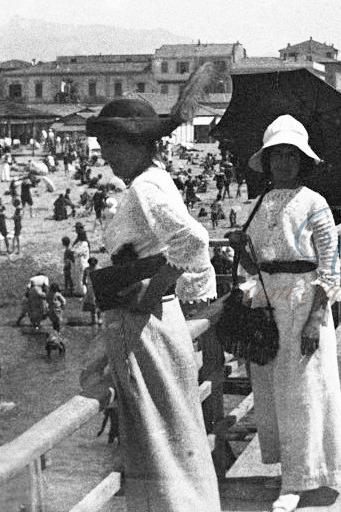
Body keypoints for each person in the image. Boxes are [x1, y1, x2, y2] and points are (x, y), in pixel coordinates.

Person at [84, 97, 221, 511]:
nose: (106, 156)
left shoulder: (145, 187)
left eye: (112, 145)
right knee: (173, 428)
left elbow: (193, 240)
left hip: (143, 324)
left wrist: (153, 285)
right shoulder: (155, 178)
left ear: (138, 144)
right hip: (156, 320)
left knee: (156, 436)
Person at [228, 115, 341, 512]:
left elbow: (330, 266)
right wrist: (242, 250)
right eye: (276, 155)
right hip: (270, 303)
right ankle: (290, 470)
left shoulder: (314, 202)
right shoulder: (261, 202)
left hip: (304, 301)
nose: (283, 163)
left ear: (302, 160)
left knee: (304, 392)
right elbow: (257, 267)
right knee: (272, 392)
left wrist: (317, 319)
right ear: (266, 161)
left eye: (291, 155)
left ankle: (297, 482)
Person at [71, 224, 90, 296]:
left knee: (82, 277)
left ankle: (83, 291)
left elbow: (77, 252)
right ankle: (78, 290)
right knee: (78, 277)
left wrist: (74, 252)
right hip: (78, 262)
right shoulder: (79, 242)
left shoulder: (84, 243)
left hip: (82, 263)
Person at [83, 257, 101, 325]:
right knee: (92, 305)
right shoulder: (87, 269)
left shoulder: (99, 269)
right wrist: (86, 286)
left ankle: (99, 319)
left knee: (98, 304)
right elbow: (83, 279)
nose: (92, 266)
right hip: (91, 289)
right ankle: (94, 320)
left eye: (93, 265)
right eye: (91, 264)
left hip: (97, 288)